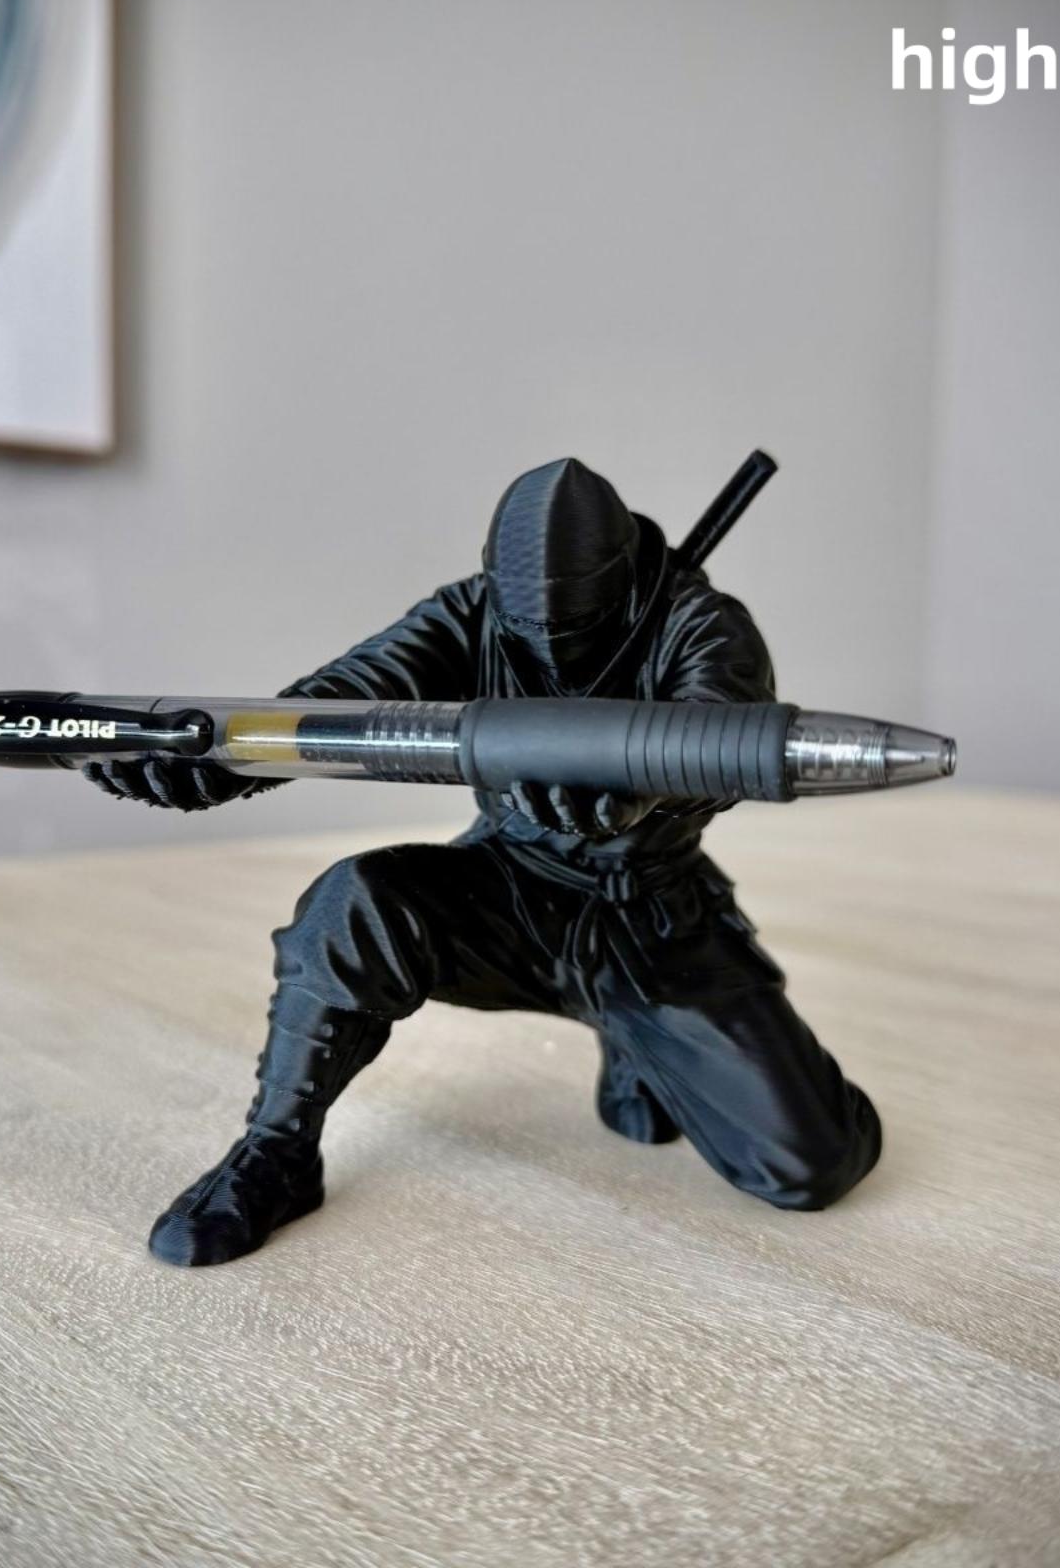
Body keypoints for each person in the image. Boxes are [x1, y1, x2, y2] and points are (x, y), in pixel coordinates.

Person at [85, 458, 881, 1265]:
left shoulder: (699, 621)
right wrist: (223, 763)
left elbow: (726, 731)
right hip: (510, 892)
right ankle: (277, 1151)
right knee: (354, 904)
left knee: (811, 1165)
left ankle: (638, 1038)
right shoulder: (469, 613)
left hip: (652, 918)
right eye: (530, 626)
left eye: (574, 625)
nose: (551, 646)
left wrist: (640, 787)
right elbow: (345, 698)